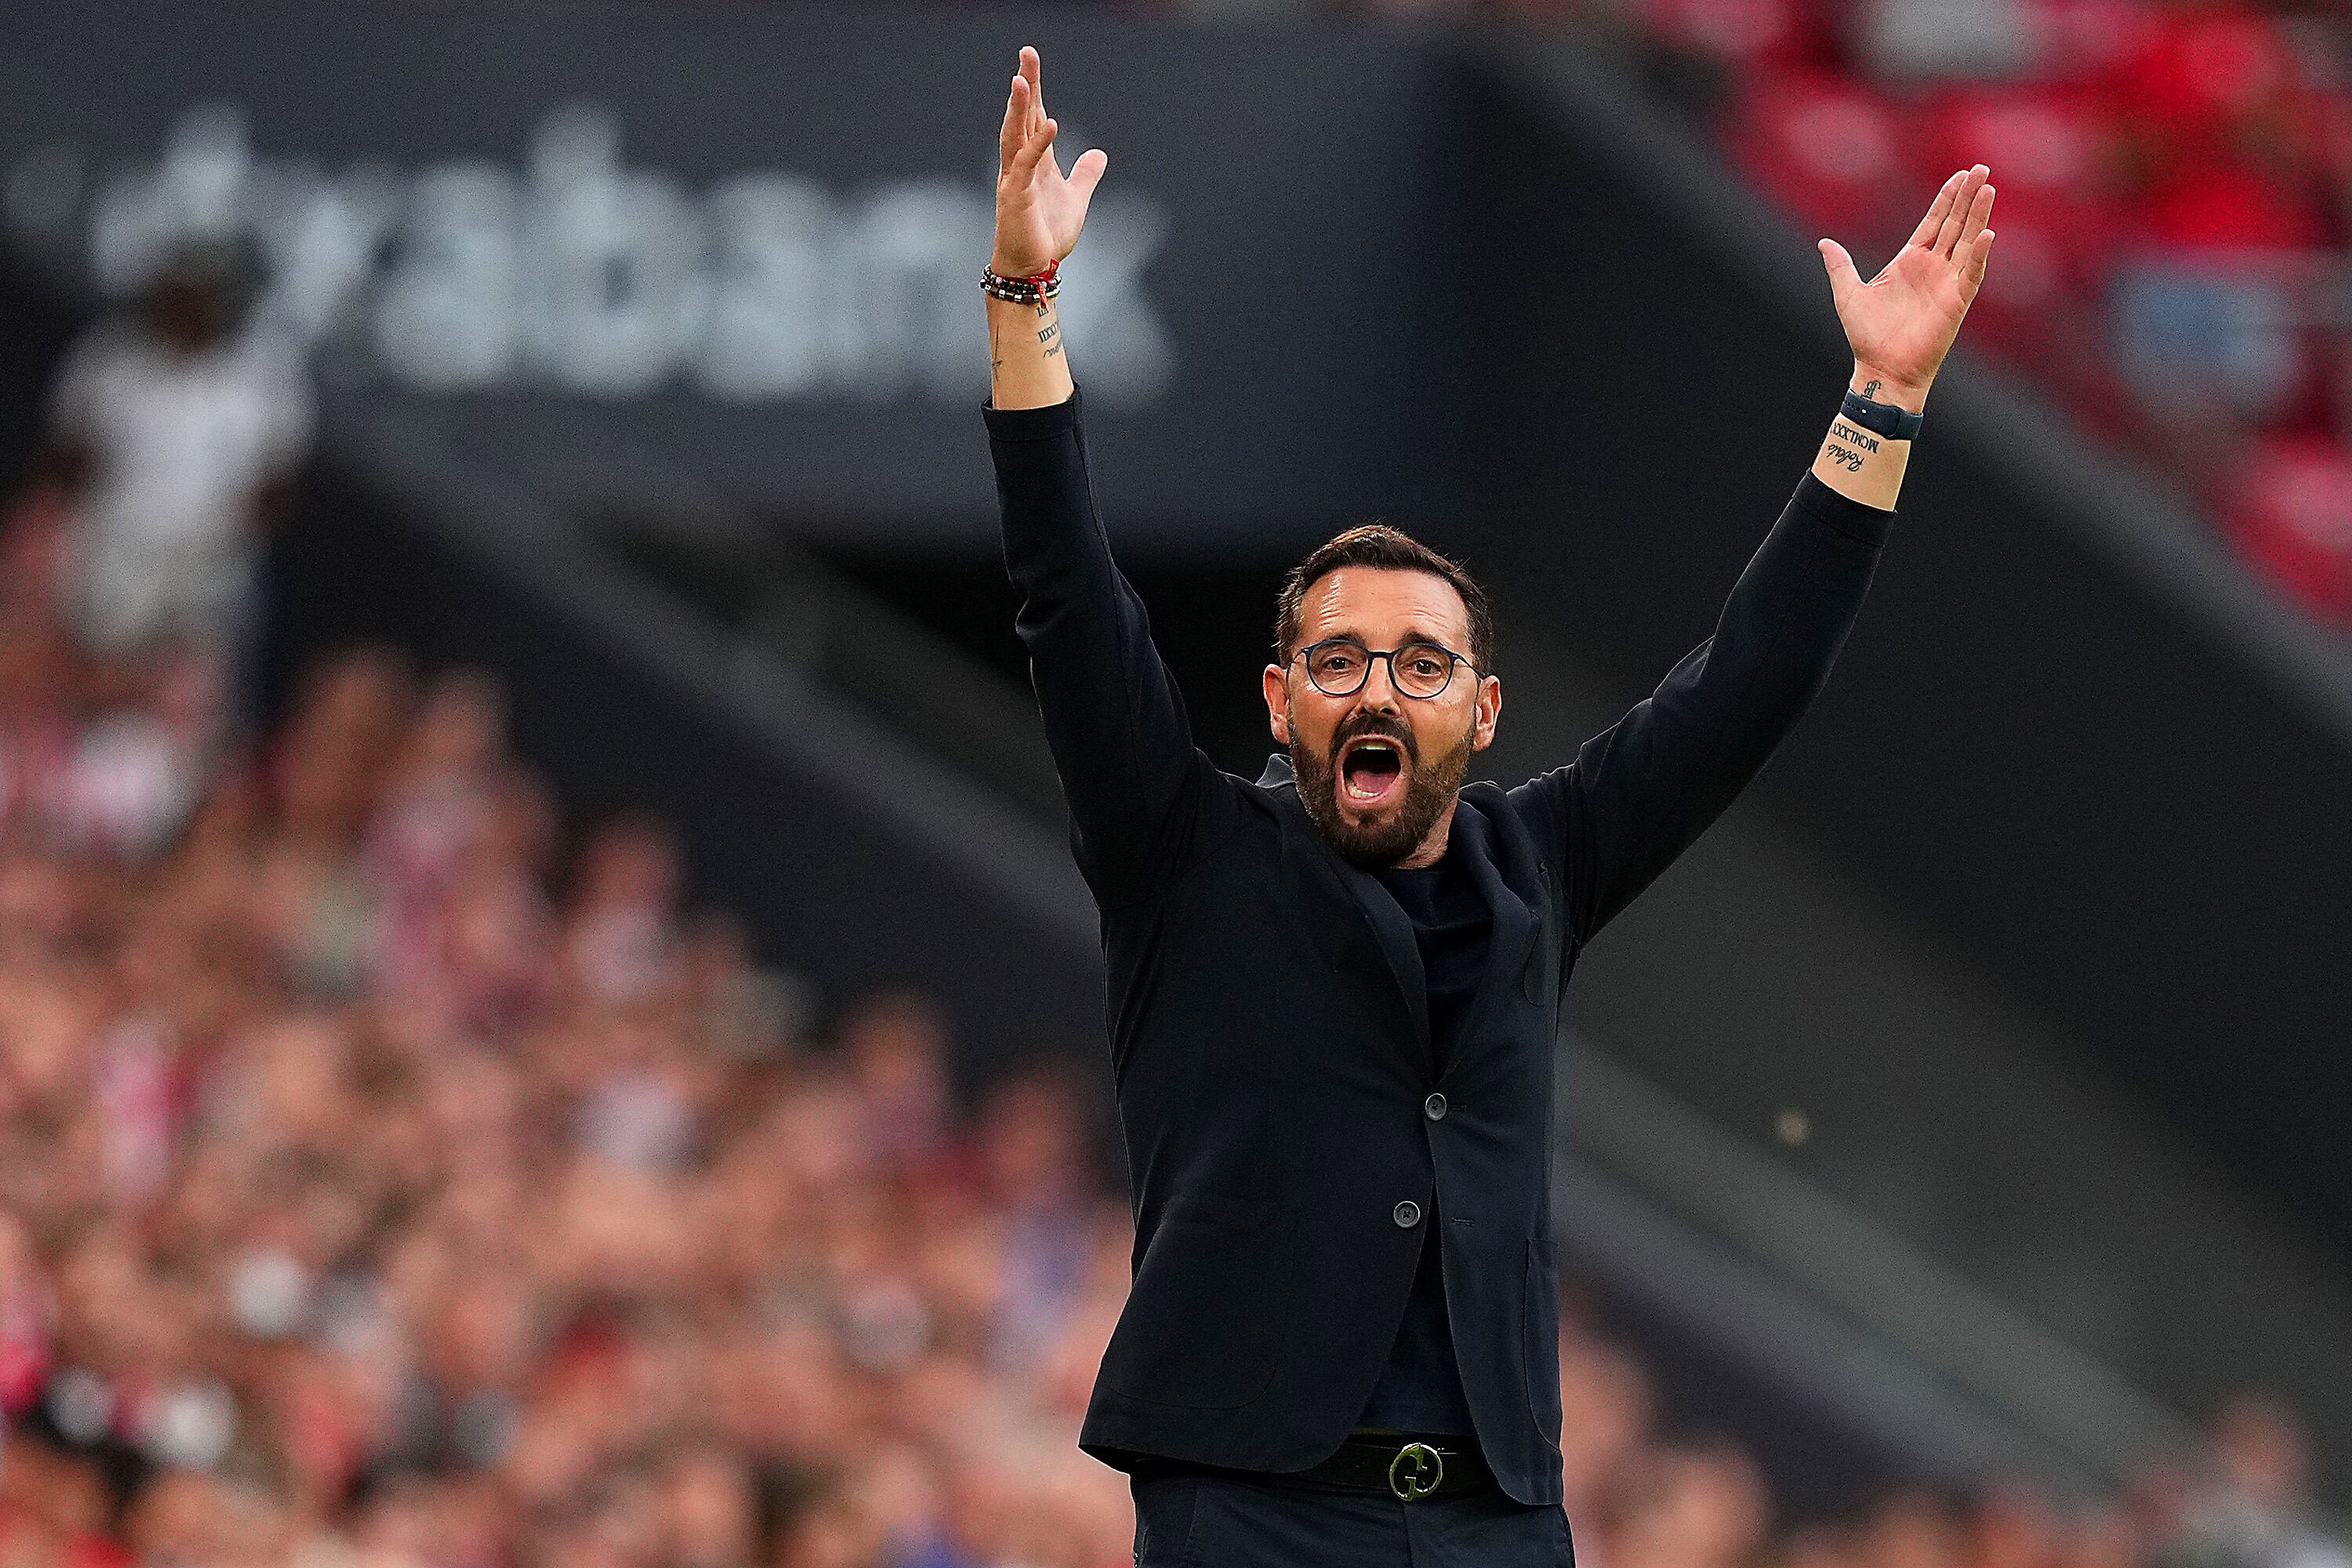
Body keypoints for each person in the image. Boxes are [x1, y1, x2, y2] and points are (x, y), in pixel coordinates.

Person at [978, 43, 1995, 1566]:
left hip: (1499, 1521)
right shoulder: (1183, 852)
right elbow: (1068, 596)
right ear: (1277, 703)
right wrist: (1023, 306)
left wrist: (1883, 403)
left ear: (1485, 711)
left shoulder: (1549, 858)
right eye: (1336, 657)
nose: (1378, 686)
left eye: (1421, 660)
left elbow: (1745, 689)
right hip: (1250, 1510)